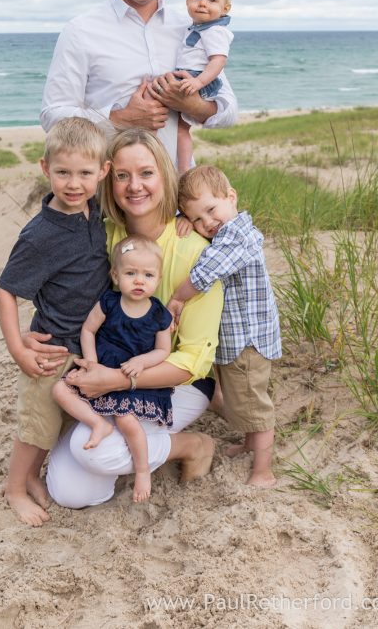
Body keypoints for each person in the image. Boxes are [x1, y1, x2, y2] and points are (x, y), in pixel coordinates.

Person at [41, 128, 225, 509]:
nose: (134, 186)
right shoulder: (102, 236)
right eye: (122, 175)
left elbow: (194, 360)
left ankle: (191, 445)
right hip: (104, 373)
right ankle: (114, 436)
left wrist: (118, 379)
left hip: (176, 383)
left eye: (146, 173)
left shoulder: (195, 251)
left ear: (164, 176)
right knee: (71, 492)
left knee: (91, 451)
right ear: (109, 179)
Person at [40, 0, 238, 167]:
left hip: (179, 197)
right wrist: (118, 120)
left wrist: (192, 105)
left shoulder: (192, 29)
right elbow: (52, 117)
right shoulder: (80, 32)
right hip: (109, 197)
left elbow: (229, 111)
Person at [0, 117, 110, 526]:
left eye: (84, 173)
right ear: (46, 170)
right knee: (37, 425)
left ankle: (32, 478)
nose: (74, 183)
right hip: (52, 348)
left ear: (103, 172)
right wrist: (17, 347)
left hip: (84, 347)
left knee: (56, 422)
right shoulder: (41, 235)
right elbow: (6, 290)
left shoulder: (94, 212)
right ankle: (14, 488)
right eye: (63, 173)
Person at [167, 165, 281, 487]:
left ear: (231, 197)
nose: (207, 223)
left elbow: (206, 272)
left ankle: (263, 469)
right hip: (237, 339)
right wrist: (180, 217)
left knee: (255, 405)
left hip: (248, 340)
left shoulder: (237, 236)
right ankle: (249, 443)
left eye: (212, 210)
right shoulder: (226, 230)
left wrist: (177, 297)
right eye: (197, 219)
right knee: (239, 398)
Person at [53, 235, 174, 503]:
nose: (139, 280)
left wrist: (142, 361)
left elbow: (163, 351)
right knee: (61, 389)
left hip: (132, 375)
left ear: (159, 278)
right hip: (102, 364)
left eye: (148, 275)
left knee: (126, 420)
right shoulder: (109, 302)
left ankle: (143, 470)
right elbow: (88, 329)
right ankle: (97, 424)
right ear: (116, 276)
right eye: (131, 273)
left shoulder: (159, 315)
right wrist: (92, 362)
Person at [173, 0, 234, 174]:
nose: (203, 3)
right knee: (178, 128)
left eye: (212, 0)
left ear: (225, 9)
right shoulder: (196, 27)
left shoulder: (215, 31)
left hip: (199, 80)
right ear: (187, 0)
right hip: (190, 76)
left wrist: (198, 83)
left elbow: (218, 61)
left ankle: (184, 171)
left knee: (181, 129)